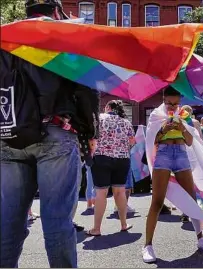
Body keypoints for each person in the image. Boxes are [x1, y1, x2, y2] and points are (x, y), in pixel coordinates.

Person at [0, 0, 100, 267]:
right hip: (55, 131)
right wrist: (91, 132)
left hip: (9, 135)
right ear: (56, 11)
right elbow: (86, 89)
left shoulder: (5, 37)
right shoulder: (63, 35)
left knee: (8, 222)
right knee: (57, 221)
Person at [142, 87, 203, 263]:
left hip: (181, 154)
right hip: (164, 155)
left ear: (180, 102)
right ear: (163, 99)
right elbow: (151, 141)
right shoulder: (156, 115)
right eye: (169, 103)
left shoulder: (183, 115)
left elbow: (190, 141)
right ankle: (147, 245)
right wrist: (163, 129)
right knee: (157, 202)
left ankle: (201, 239)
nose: (172, 107)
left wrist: (182, 127)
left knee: (191, 198)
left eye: (175, 104)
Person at [86, 100, 135, 236]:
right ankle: (124, 224)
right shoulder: (126, 122)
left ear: (108, 107)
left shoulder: (100, 118)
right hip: (122, 159)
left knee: (101, 193)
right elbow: (132, 141)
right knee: (119, 191)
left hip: (101, 158)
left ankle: (97, 228)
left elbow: (91, 137)